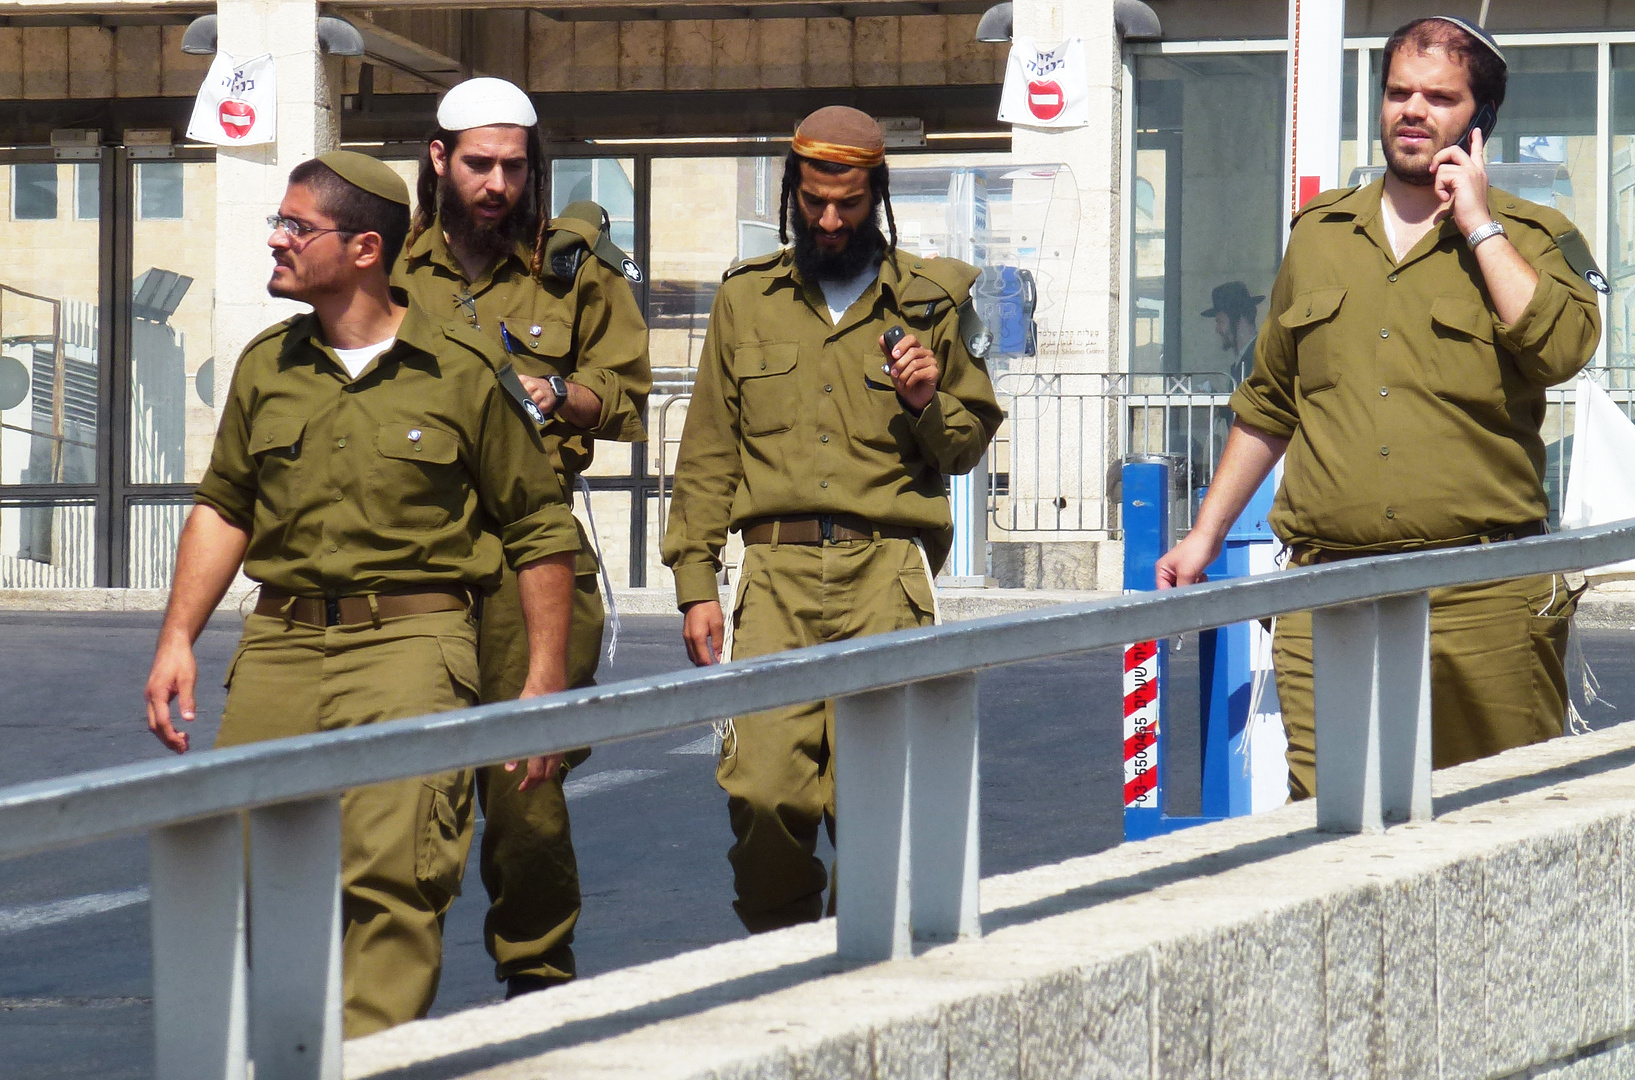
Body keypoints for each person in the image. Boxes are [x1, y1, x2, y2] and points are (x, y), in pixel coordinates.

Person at [142, 151, 580, 1036]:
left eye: (296, 228)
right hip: (280, 647)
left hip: (413, 649)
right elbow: (226, 504)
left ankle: (367, 1059)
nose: (276, 240)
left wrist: (542, 685)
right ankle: (299, 1047)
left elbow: (539, 527)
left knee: (394, 876)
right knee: (252, 869)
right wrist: (177, 637)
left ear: (366, 247)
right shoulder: (269, 366)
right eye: (280, 222)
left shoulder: (460, 370)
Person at [1155, 16, 1603, 799]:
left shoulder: (1532, 236)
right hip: (1331, 591)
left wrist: (1478, 223)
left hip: (1482, 593)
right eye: (1399, 91)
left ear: (1480, 119)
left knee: (1500, 824)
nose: (1412, 110)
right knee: (1330, 830)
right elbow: (1268, 402)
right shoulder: (1320, 238)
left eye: (1439, 97)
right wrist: (1202, 538)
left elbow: (1562, 348)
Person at [662, 106, 1002, 932]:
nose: (829, 219)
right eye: (813, 200)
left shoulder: (930, 301)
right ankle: (785, 965)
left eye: (847, 202)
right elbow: (709, 450)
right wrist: (694, 581)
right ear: (792, 191)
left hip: (885, 576)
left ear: (875, 192)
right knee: (763, 794)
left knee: (879, 800)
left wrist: (925, 400)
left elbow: (963, 447)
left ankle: (868, 974)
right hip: (772, 580)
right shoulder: (749, 300)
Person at [392, 77, 651, 998]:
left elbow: (623, 397)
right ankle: (381, 1009)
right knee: (408, 802)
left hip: (528, 560)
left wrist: (556, 393)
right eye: (478, 165)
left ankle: (538, 989)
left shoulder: (573, 271)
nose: (497, 183)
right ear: (438, 160)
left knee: (524, 803)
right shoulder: (389, 265)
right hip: (412, 555)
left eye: (514, 166)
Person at [1202, 280, 1264, 385]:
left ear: (1237, 318)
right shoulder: (1249, 357)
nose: (1217, 330)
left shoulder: (1259, 358)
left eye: (1220, 321)